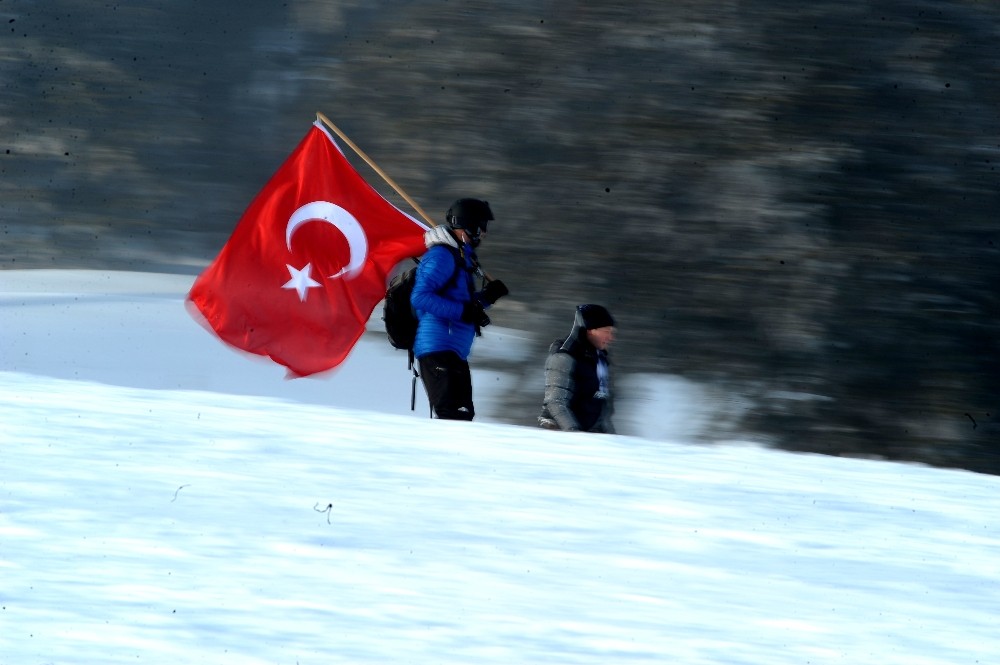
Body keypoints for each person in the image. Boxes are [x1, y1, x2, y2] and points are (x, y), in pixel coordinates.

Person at [411, 198, 508, 420]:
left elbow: (462, 303)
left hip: (454, 351)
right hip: (438, 348)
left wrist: (486, 297)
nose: (484, 233)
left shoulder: (461, 258)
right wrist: (463, 312)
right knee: (453, 417)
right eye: (482, 226)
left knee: (462, 418)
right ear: (470, 225)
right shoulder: (441, 256)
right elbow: (421, 297)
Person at [539, 304, 616, 433]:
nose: (610, 338)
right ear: (591, 330)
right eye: (606, 332)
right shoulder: (564, 357)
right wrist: (574, 434)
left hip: (589, 437)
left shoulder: (600, 360)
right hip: (559, 436)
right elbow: (555, 402)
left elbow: (603, 407)